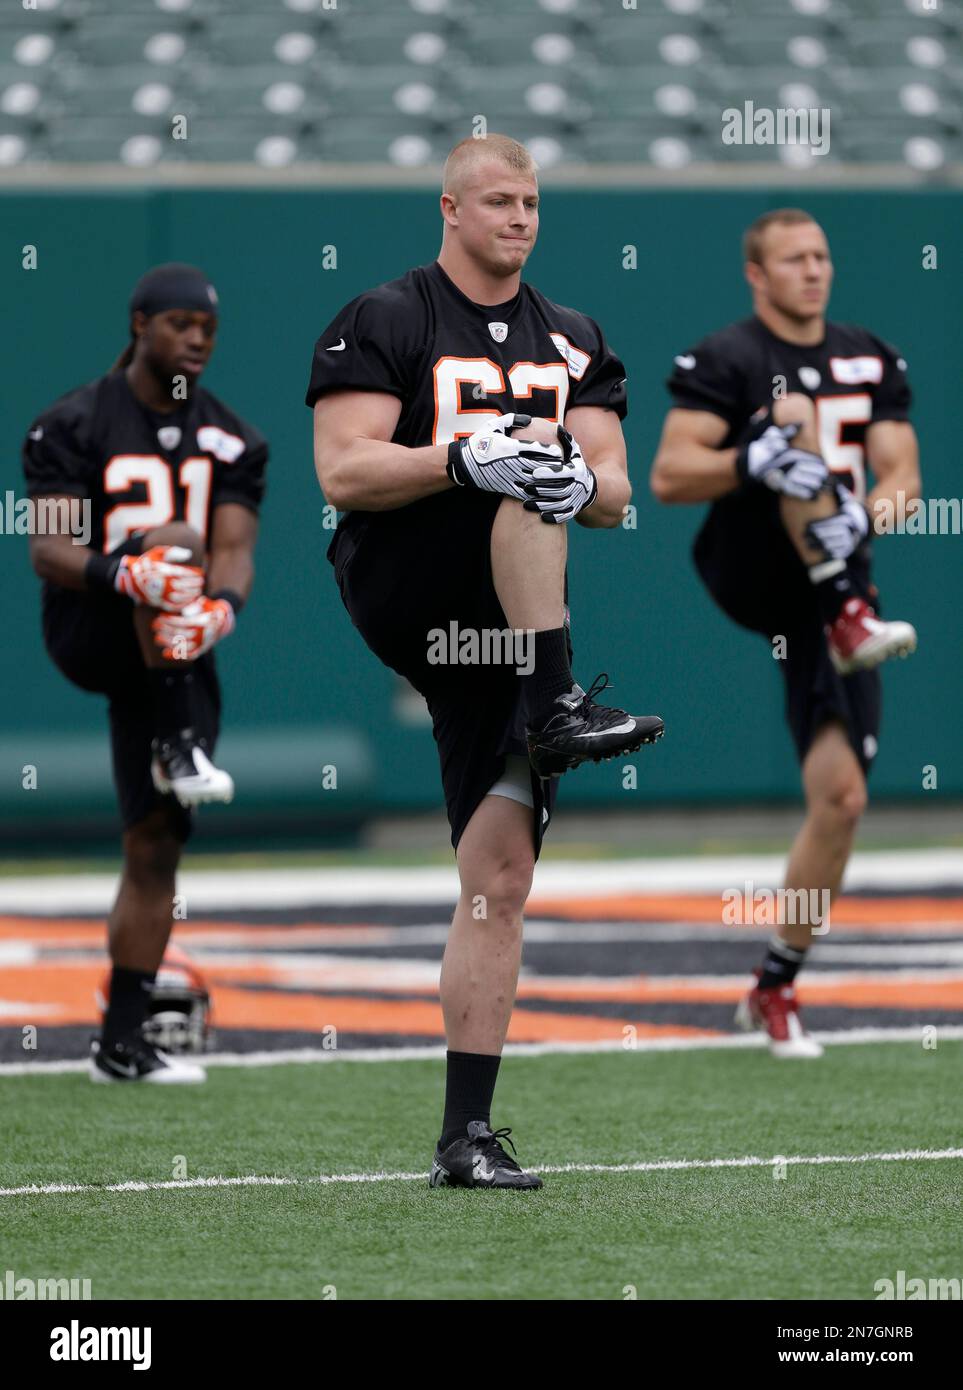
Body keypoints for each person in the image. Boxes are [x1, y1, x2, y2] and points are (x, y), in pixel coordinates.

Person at [307, 134, 663, 1187]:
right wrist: (463, 455)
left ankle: (466, 1135)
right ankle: (557, 703)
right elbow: (344, 467)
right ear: (451, 209)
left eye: (533, 201)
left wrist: (568, 482)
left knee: (496, 880)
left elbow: (616, 490)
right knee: (516, 459)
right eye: (499, 199)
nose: (520, 217)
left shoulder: (576, 335)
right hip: (408, 580)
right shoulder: (387, 315)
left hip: (510, 625)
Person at [651, 209, 920, 1058]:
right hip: (750, 559)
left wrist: (861, 522)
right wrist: (748, 461)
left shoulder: (868, 352)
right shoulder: (730, 357)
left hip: (830, 576)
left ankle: (773, 983)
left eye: (821, 256)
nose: (813, 270)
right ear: (756, 275)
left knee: (840, 801)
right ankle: (845, 607)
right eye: (793, 259)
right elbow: (665, 476)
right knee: (792, 421)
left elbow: (902, 474)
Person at [23, 263, 267, 1083]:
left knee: (157, 841)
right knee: (173, 540)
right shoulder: (71, 423)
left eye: (207, 329)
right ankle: (179, 738)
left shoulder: (232, 436)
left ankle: (122, 1043)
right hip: (91, 621)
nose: (196, 339)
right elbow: (48, 550)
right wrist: (125, 573)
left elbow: (235, 551)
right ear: (138, 325)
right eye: (179, 324)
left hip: (172, 640)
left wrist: (221, 612)